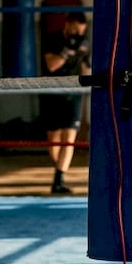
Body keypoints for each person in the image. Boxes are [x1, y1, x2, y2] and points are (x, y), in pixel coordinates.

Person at [40, 11, 91, 194]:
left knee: (69, 138)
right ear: (67, 24)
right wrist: (67, 51)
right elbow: (52, 65)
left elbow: (86, 73)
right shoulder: (52, 39)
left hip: (73, 93)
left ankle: (58, 179)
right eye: (75, 29)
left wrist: (87, 60)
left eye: (80, 31)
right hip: (52, 92)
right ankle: (58, 167)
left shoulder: (84, 43)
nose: (77, 33)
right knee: (53, 140)